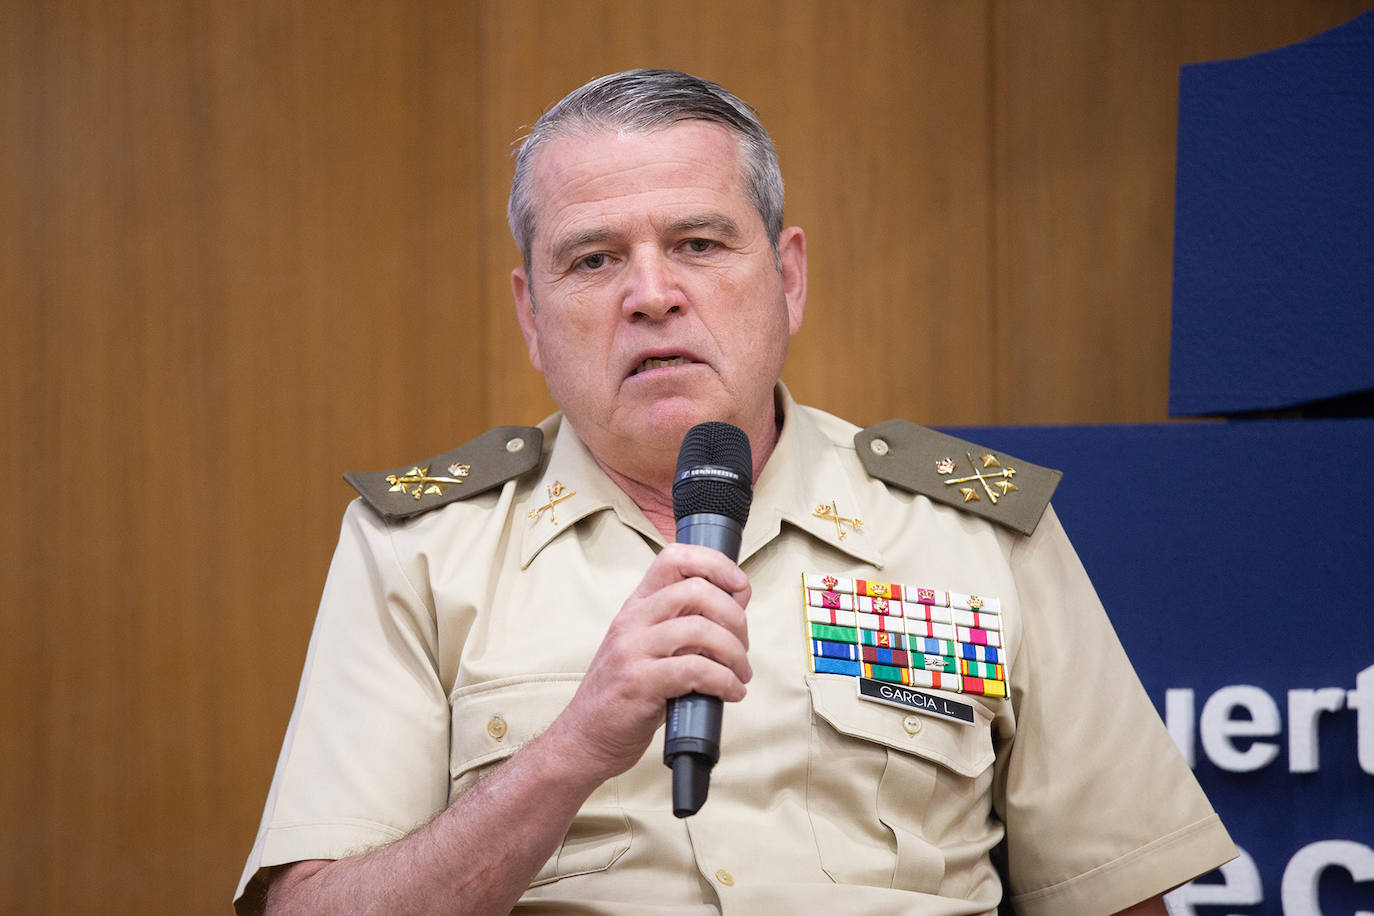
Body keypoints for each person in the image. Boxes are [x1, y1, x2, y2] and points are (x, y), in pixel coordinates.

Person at [236, 69, 1235, 915]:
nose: (652, 294)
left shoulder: (975, 535)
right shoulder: (418, 549)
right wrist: (573, 746)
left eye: (699, 244)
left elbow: (1116, 893)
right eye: (594, 259)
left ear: (788, 278)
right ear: (531, 315)